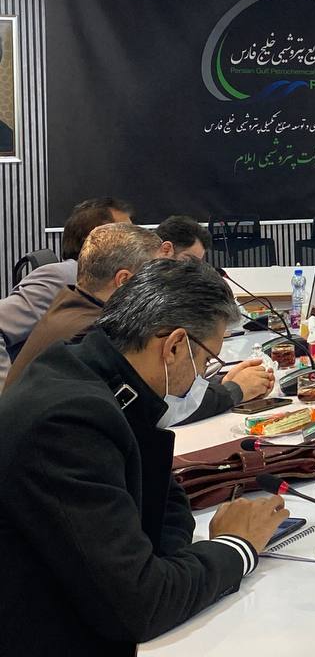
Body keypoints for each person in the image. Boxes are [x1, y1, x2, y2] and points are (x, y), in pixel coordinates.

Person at [0, 258, 288, 655]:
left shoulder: (99, 375)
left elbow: (168, 505)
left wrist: (160, 567)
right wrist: (238, 546)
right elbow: (140, 607)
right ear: (174, 346)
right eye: (207, 361)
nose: (203, 377)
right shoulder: (69, 422)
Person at [6, 223, 273, 411]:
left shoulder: (72, 303)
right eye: (154, 276)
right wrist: (233, 390)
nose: (166, 285)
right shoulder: (92, 333)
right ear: (125, 281)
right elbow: (150, 408)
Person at [0, 196, 133, 370]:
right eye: (128, 236)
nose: (136, 243)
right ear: (96, 241)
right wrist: (8, 386)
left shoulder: (113, 281)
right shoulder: (60, 277)